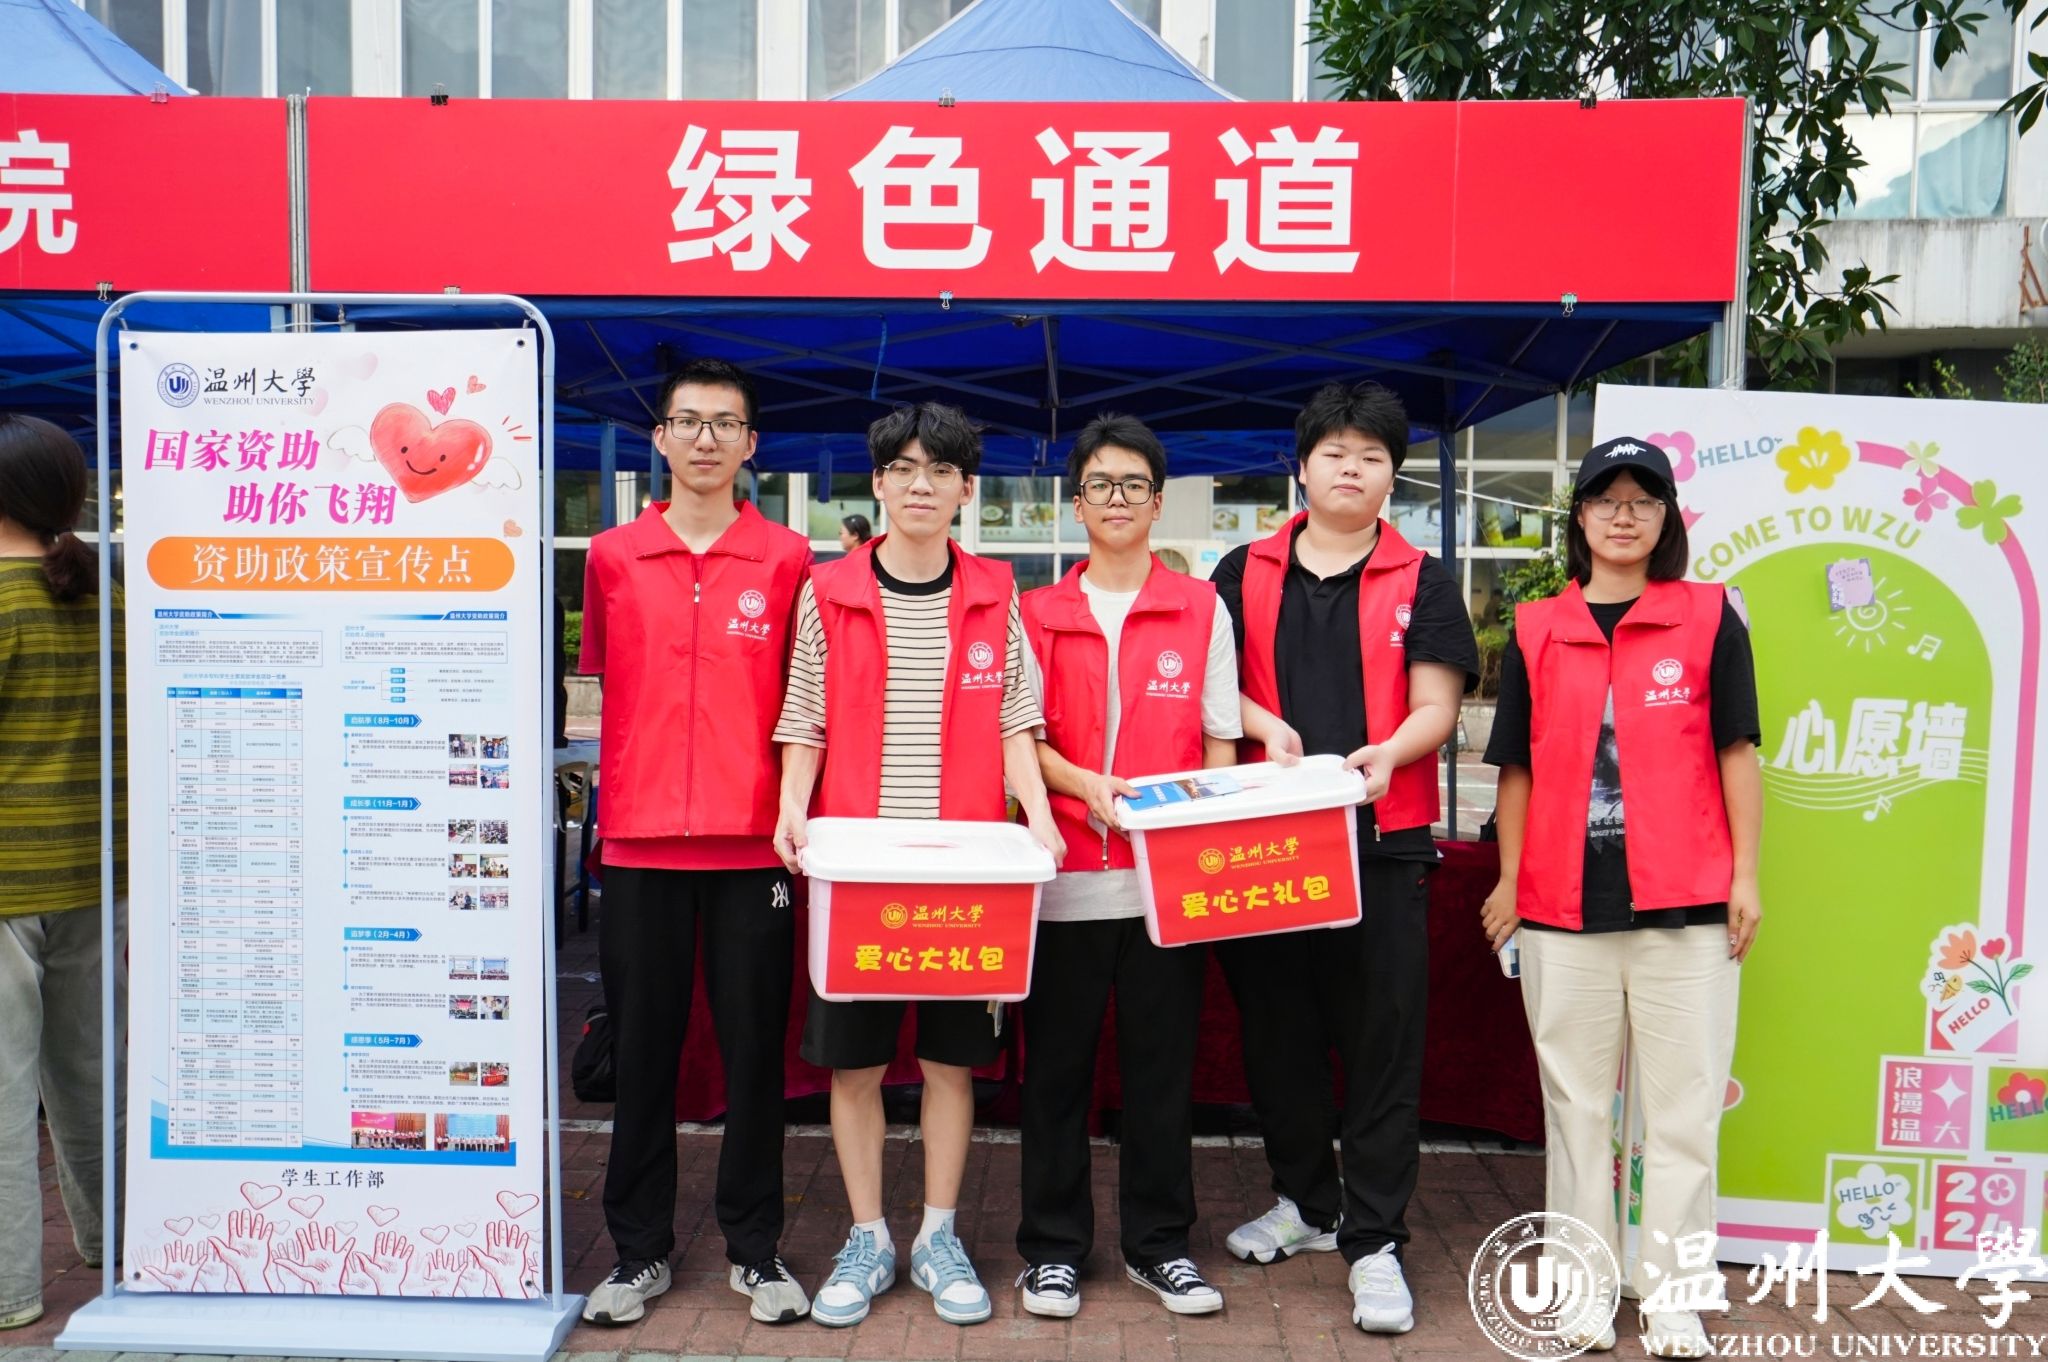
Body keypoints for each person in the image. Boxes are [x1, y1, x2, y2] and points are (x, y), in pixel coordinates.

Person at [773, 401, 1063, 1329]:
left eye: (940, 471)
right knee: (854, 1066)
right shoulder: (827, 589)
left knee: (949, 1061)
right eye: (902, 469)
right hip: (858, 868)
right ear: (879, 483)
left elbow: (1017, 715)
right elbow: (804, 711)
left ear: (966, 489)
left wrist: (1040, 814)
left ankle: (939, 1235)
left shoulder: (993, 591)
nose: (920, 485)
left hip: (965, 871)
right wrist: (792, 806)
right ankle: (868, 1237)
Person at [1479, 436, 1761, 1360]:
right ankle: (1584, 1289)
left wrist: (1746, 877)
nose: (1624, 515)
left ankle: (1673, 1297)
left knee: (1683, 1113)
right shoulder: (1537, 628)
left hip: (1688, 908)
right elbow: (1515, 770)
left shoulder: (1711, 618)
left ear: (1666, 518)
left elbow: (1737, 752)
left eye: (1644, 500)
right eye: (1606, 499)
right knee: (1576, 1113)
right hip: (1564, 911)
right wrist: (1511, 881)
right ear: (1581, 518)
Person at [1210, 380, 1478, 1335]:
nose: (1352, 470)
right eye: (1335, 454)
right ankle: (1306, 1203)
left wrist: (1390, 754)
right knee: (1277, 1033)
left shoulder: (1425, 579)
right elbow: (1210, 686)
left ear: (1392, 476)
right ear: (1303, 466)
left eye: (1371, 457)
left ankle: (1374, 1240)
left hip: (1382, 841)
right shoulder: (1242, 569)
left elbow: (1438, 704)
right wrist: (1263, 726)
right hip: (1266, 845)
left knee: (1379, 1045)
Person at [578, 359, 814, 1328]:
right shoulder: (610, 555)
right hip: (639, 844)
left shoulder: (790, 558)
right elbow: (606, 681)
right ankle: (638, 1251)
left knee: (756, 1056)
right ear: (660, 438)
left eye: (725, 423)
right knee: (643, 1056)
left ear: (751, 444)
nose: (706, 438)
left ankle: (755, 1249)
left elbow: (806, 702)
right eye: (689, 421)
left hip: (755, 847)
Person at [1014, 414, 1240, 1319]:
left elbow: (1219, 740)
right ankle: (1052, 1250)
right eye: (1100, 484)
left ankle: (1159, 1246)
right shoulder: (1037, 613)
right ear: (1077, 504)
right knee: (1055, 1077)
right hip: (1063, 879)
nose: (1117, 499)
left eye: (1133, 485)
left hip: (1164, 889)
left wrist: (1199, 851)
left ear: (1157, 502)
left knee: (1160, 1076)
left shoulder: (1201, 608)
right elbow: (1020, 743)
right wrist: (1086, 787)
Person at [0, 413, 126, 1331]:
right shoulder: (103, 595)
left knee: (6, 1096)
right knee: (87, 1076)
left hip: (8, 882)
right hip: (94, 872)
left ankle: (11, 1292)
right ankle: (111, 1239)